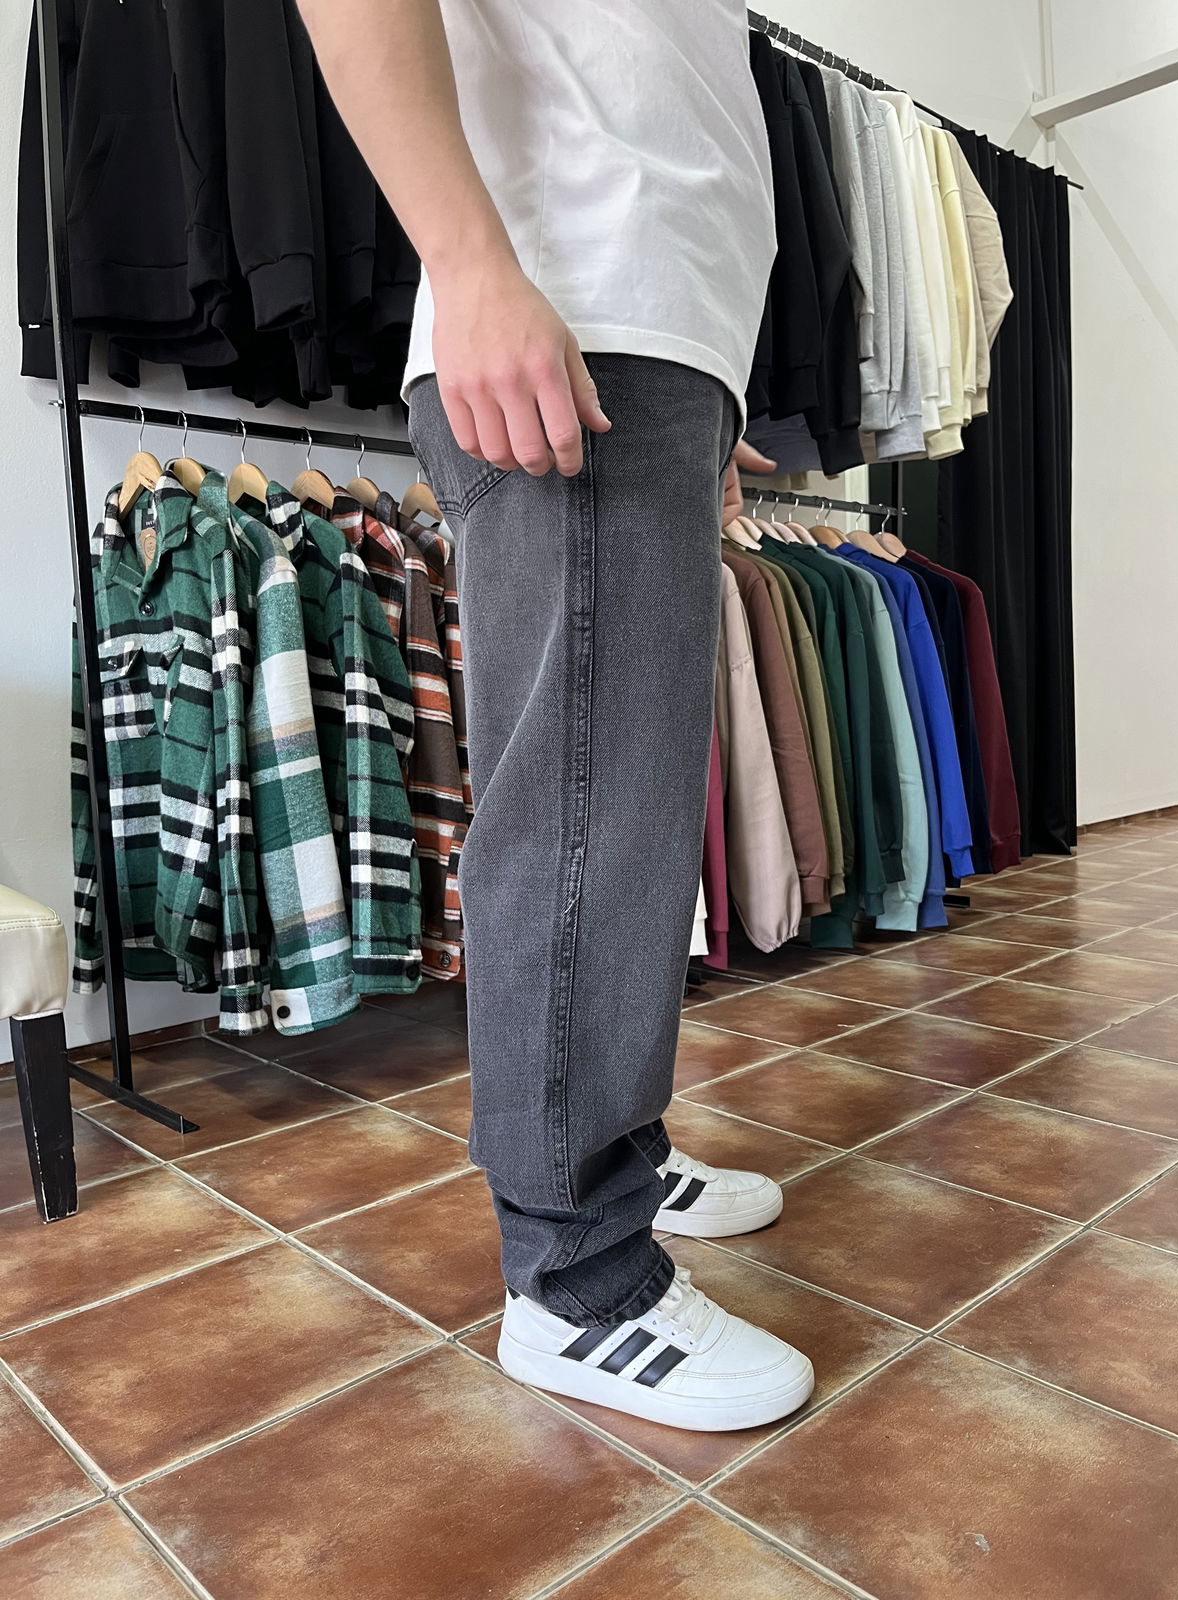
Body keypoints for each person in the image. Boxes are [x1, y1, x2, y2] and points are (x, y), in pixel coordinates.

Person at [299, 0, 815, 1432]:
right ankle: (576, 1279)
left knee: (626, 809)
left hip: (652, 339)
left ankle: (615, 1161)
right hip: (580, 310)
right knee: (586, 817)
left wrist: (706, 400)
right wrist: (471, 267)